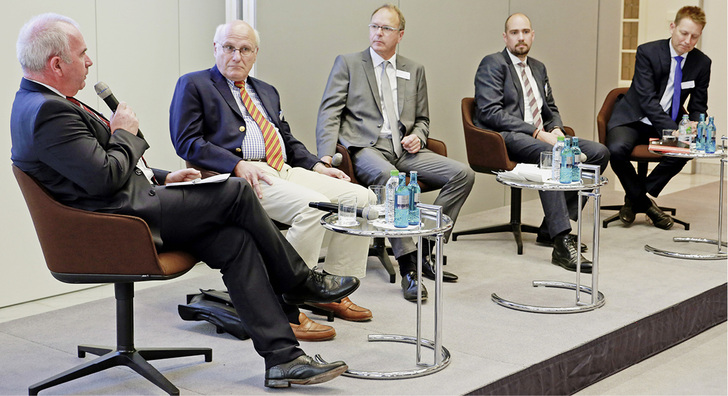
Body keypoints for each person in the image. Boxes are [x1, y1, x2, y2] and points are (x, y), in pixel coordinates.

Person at [10, 13, 359, 388]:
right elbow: (104, 177)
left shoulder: (52, 103)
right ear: (57, 63)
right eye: (83, 54)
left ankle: (283, 358)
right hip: (117, 225)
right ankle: (299, 281)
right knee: (237, 191)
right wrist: (125, 133)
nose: (90, 61)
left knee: (234, 241)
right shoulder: (47, 111)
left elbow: (96, 170)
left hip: (130, 206)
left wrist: (165, 176)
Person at [169, 20, 373, 335]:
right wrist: (236, 165)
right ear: (215, 49)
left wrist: (317, 165)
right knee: (311, 206)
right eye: (229, 48)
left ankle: (330, 293)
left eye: (245, 49)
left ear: (255, 54)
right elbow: (188, 142)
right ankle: (284, 303)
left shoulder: (266, 90)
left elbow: (286, 140)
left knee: (360, 198)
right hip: (238, 177)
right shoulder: (194, 84)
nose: (236, 56)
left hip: (280, 169)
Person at [316, 4, 475, 302]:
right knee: (392, 179)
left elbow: (423, 118)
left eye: (386, 28)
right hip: (365, 149)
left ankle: (428, 247)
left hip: (403, 149)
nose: (378, 33)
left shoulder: (414, 69)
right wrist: (325, 157)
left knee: (462, 174)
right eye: (374, 26)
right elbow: (329, 113)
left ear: (400, 35)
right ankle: (409, 267)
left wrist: (419, 135)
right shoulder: (349, 63)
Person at [473, 12, 610, 273]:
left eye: (525, 32)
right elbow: (490, 112)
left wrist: (556, 127)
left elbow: (550, 108)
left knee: (598, 152)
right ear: (505, 37)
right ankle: (561, 242)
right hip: (507, 138)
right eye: (514, 33)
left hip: (544, 137)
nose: (520, 37)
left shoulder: (538, 67)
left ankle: (551, 228)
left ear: (532, 35)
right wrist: (537, 133)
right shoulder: (492, 64)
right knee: (552, 154)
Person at [606, 6, 711, 230]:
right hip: (634, 119)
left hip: (667, 124)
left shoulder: (702, 63)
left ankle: (635, 199)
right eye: (684, 33)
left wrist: (696, 124)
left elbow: (698, 105)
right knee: (615, 150)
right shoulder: (648, 52)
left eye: (695, 36)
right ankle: (647, 205)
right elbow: (647, 100)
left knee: (687, 151)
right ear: (673, 27)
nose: (688, 41)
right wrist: (673, 130)